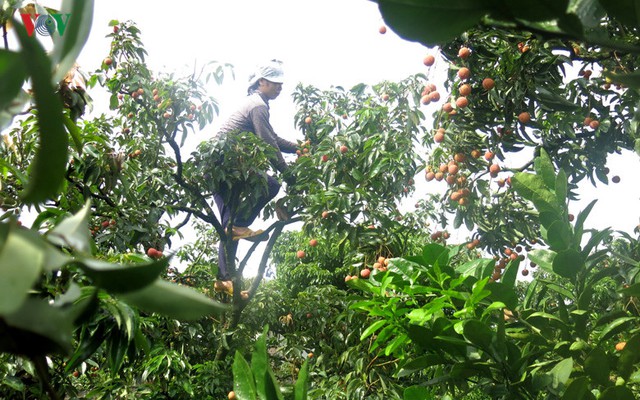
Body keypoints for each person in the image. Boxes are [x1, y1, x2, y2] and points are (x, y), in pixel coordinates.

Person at [213, 59, 298, 293]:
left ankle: (223, 279)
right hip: (225, 165)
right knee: (270, 184)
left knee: (229, 226)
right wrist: (288, 174)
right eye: (275, 83)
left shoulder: (258, 105)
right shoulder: (257, 106)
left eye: (281, 84)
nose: (279, 88)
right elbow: (268, 144)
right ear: (262, 82)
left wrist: (297, 148)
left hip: (221, 166)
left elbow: (273, 137)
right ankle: (240, 225)